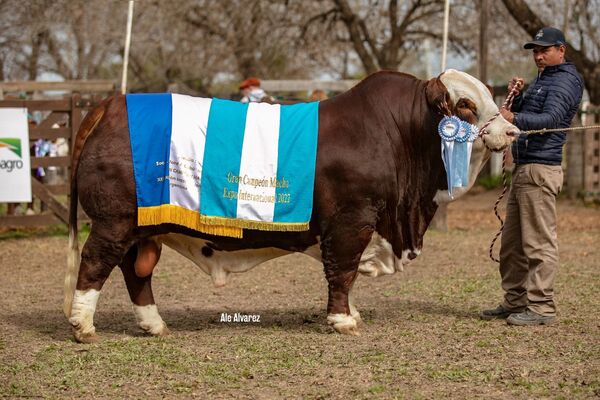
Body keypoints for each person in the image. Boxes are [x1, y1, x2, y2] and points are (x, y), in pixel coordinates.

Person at [480, 27, 584, 326]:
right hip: (525, 170)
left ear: (561, 50)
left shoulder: (565, 81)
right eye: (535, 51)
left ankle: (541, 307)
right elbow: (518, 114)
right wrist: (517, 95)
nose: (538, 55)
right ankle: (515, 302)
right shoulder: (544, 79)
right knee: (512, 245)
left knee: (538, 244)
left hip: (540, 170)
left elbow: (550, 120)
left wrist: (515, 118)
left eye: (545, 50)